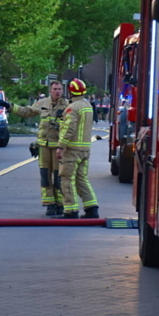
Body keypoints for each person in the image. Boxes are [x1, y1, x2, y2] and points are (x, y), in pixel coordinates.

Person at [0, 81, 70, 216]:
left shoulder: (68, 106)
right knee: (45, 176)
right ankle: (49, 204)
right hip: (43, 147)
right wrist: (10, 106)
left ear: (63, 90)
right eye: (55, 89)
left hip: (59, 148)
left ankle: (60, 204)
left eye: (60, 89)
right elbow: (27, 111)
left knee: (58, 177)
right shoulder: (42, 103)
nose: (57, 91)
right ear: (50, 90)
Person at [57, 78, 98, 219]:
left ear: (70, 92)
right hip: (85, 150)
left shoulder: (72, 108)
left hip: (72, 150)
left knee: (67, 179)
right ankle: (92, 209)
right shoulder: (87, 105)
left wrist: (60, 146)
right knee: (81, 179)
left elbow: (69, 128)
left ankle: (71, 211)